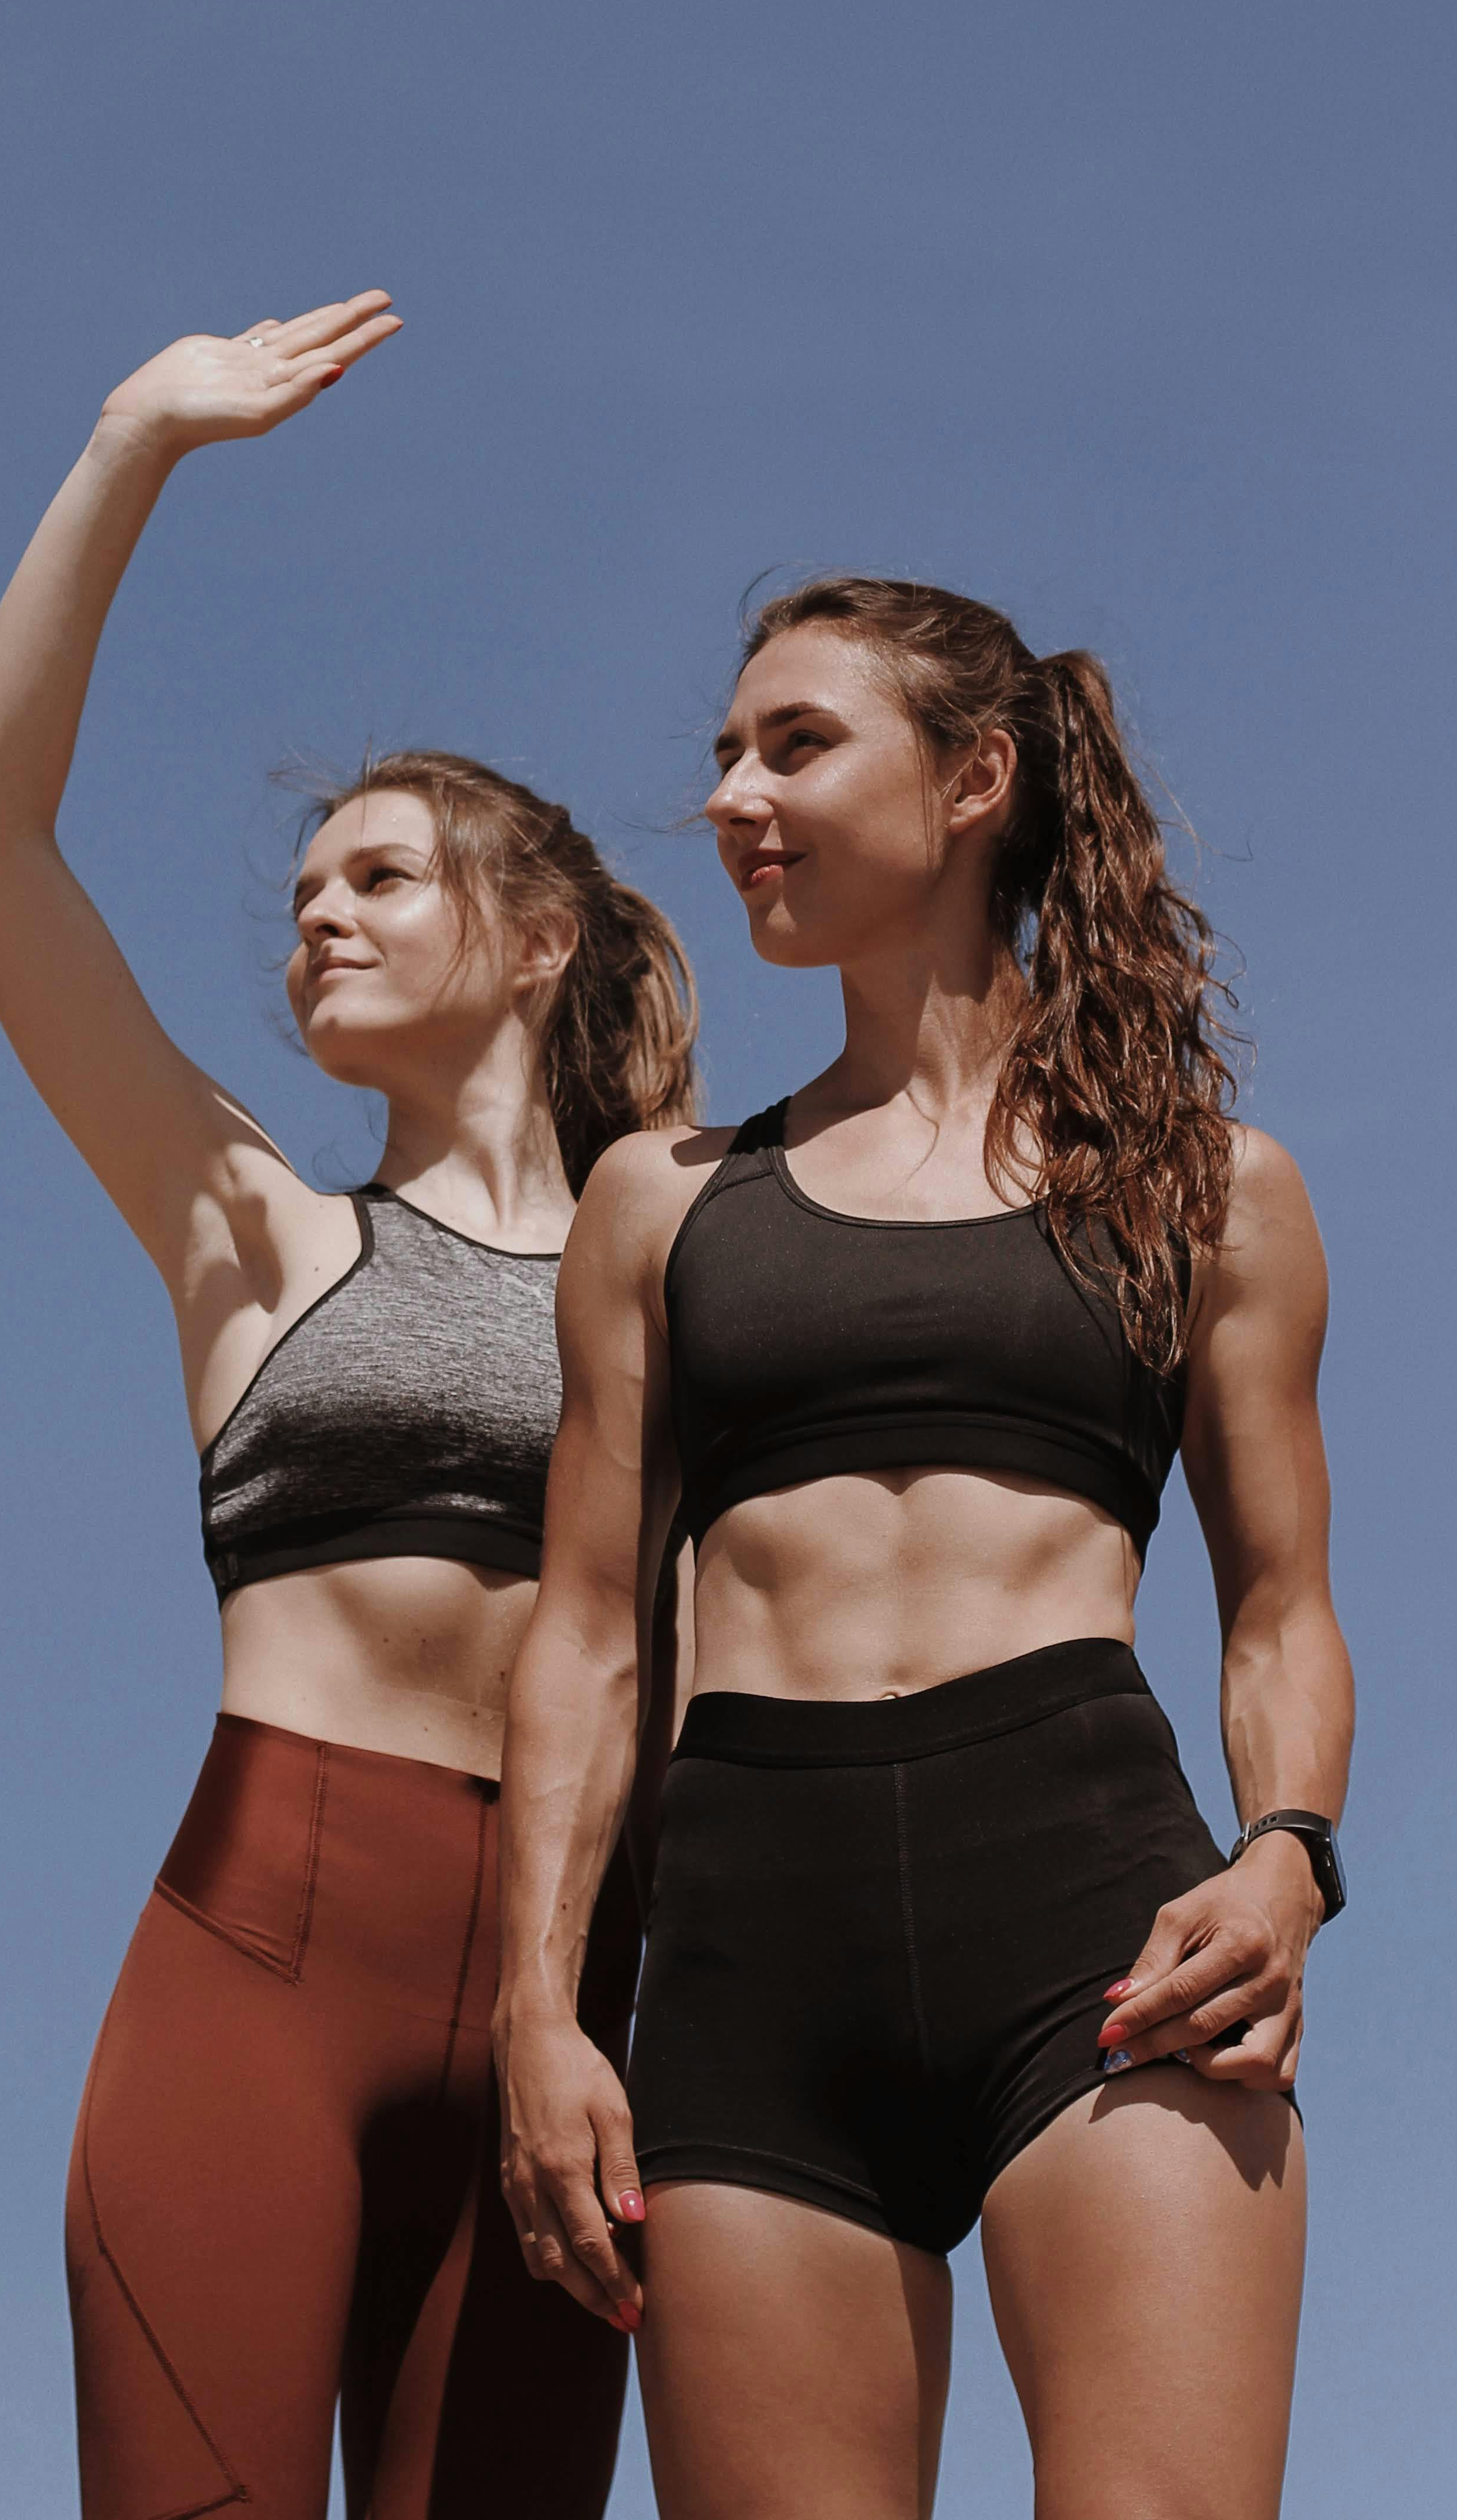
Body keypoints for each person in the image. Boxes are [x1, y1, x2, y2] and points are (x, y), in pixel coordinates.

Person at [0, 293, 698, 2520]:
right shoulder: (249, 1221)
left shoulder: (693, 1248)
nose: (315, 925)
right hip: (257, 1977)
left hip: (578, 1999)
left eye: (374, 876)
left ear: (538, 934)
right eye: (298, 899)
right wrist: (130, 442)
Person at [493, 576, 1353, 2520]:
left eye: (792, 744)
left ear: (974, 778)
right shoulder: (659, 1203)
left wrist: (1289, 1853)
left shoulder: (1207, 1190)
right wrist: (536, 2008)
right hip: (745, 1964)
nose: (730, 796)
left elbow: (1281, 1612)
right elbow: (586, 1642)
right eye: (722, 752)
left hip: (1098, 1935)